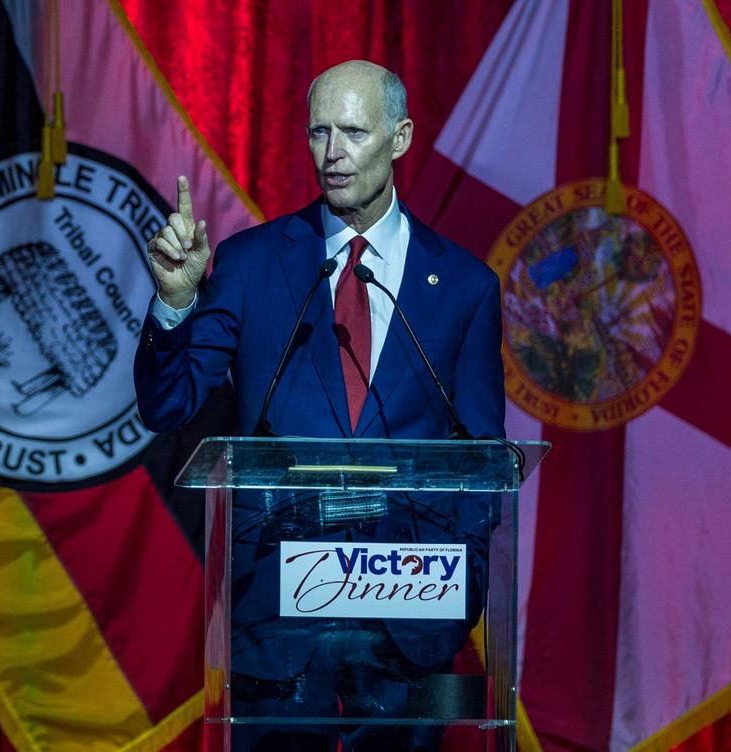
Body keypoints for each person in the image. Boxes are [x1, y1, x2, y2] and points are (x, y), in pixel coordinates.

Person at [135, 60, 505, 751]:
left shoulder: (463, 286)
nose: (331, 155)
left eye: (354, 133)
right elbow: (169, 403)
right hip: (276, 620)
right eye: (318, 133)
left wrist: (463, 597)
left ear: (399, 138)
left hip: (411, 621)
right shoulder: (251, 264)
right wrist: (177, 301)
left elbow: (482, 463)